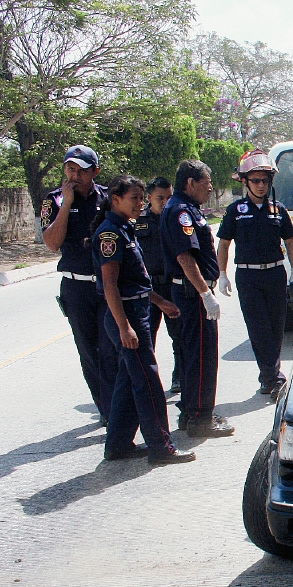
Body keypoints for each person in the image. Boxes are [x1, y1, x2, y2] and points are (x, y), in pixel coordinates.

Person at [92, 174, 194, 464]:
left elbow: (135, 280)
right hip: (126, 316)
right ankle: (162, 448)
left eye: (140, 197)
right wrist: (124, 327)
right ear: (115, 200)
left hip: (137, 310)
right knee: (147, 382)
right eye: (133, 198)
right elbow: (110, 285)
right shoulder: (110, 234)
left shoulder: (125, 229)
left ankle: (118, 444)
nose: (139, 203)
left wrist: (160, 302)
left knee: (129, 379)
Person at [39, 144, 116, 424]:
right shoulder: (54, 201)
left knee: (111, 349)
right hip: (76, 287)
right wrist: (68, 203)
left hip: (107, 285)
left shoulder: (109, 197)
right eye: (69, 168)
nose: (74, 174)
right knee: (89, 352)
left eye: (80, 170)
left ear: (94, 171)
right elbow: (51, 243)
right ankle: (107, 411)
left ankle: (115, 409)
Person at [215, 149, 293, 398]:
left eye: (265, 180)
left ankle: (270, 376)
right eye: (255, 180)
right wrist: (222, 273)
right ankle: (272, 377)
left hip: (274, 274)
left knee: (276, 328)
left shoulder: (279, 210)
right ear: (244, 181)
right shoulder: (235, 210)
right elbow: (223, 243)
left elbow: (290, 241)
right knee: (259, 328)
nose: (261, 185)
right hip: (248, 276)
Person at [161, 159, 235, 437]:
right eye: (206, 182)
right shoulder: (181, 211)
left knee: (192, 354)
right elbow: (184, 256)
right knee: (202, 356)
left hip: (192, 291)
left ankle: (191, 411)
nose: (211, 187)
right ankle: (200, 418)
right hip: (192, 293)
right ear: (190, 183)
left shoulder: (187, 208)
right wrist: (205, 293)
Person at [136, 177, 183, 394]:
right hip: (147, 290)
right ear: (149, 198)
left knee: (179, 335)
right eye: (159, 198)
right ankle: (148, 379)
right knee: (146, 338)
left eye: (169, 197)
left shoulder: (176, 219)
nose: (165, 202)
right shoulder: (138, 221)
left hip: (172, 286)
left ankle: (179, 377)